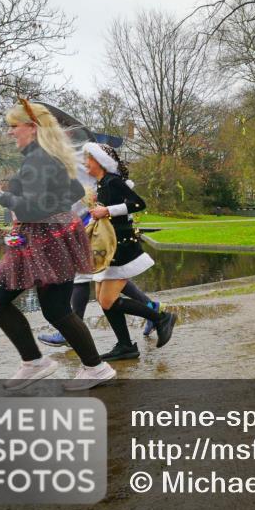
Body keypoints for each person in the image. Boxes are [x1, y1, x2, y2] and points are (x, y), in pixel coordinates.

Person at [0, 99, 115, 390]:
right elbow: (75, 190)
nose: (10, 133)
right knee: (56, 309)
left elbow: (32, 209)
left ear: (32, 127)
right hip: (54, 238)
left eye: (14, 127)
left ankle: (36, 362)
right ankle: (94, 367)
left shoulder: (38, 159)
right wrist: (54, 212)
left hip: (43, 240)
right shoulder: (47, 155)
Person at [84, 142, 177, 360]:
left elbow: (138, 203)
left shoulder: (112, 181)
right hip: (110, 247)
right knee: (101, 298)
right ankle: (125, 345)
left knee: (107, 300)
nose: (84, 162)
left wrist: (107, 210)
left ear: (99, 161)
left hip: (122, 247)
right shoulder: (101, 184)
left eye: (88, 158)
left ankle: (161, 318)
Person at [38, 198, 166, 347]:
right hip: (87, 225)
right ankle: (150, 307)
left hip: (90, 227)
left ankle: (71, 333)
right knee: (108, 277)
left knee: (82, 277)